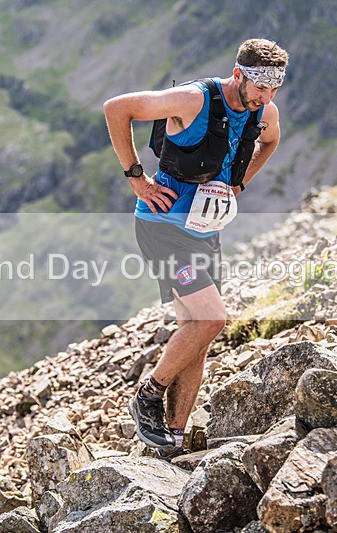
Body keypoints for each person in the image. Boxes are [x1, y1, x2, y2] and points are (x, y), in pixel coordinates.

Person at [103, 38, 288, 459]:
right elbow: (117, 108)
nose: (266, 98)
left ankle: (173, 439)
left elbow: (270, 140)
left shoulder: (265, 111)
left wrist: (240, 183)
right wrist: (137, 178)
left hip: (206, 230)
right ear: (239, 75)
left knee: (197, 334)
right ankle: (148, 395)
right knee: (211, 318)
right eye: (260, 88)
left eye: (274, 90)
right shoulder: (191, 99)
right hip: (163, 226)